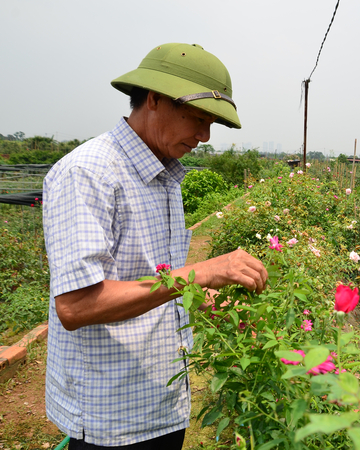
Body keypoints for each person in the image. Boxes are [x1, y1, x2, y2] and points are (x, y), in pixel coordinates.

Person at [42, 43, 268, 449]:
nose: (204, 136)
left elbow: (156, 280)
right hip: (111, 416)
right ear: (154, 100)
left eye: (211, 123)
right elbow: (75, 306)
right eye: (199, 118)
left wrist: (214, 306)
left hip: (162, 401)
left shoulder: (165, 176)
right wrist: (201, 273)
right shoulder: (89, 173)